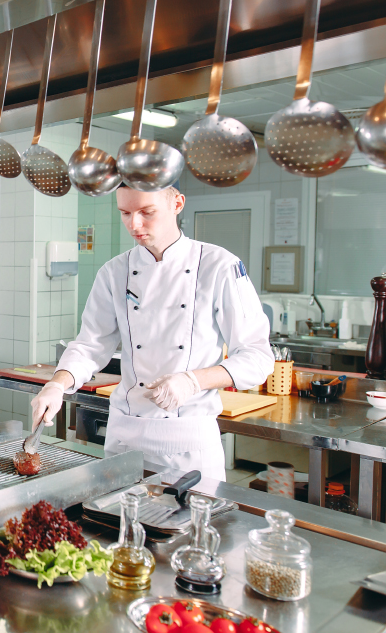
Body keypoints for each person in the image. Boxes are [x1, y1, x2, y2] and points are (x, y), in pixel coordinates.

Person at [30, 186, 274, 481]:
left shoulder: (219, 266)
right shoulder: (114, 272)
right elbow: (90, 345)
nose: (134, 224)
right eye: (125, 213)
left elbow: (257, 358)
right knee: (114, 524)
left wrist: (193, 381)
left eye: (147, 212)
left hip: (189, 443)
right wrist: (57, 385)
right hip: (125, 436)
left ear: (178, 203)